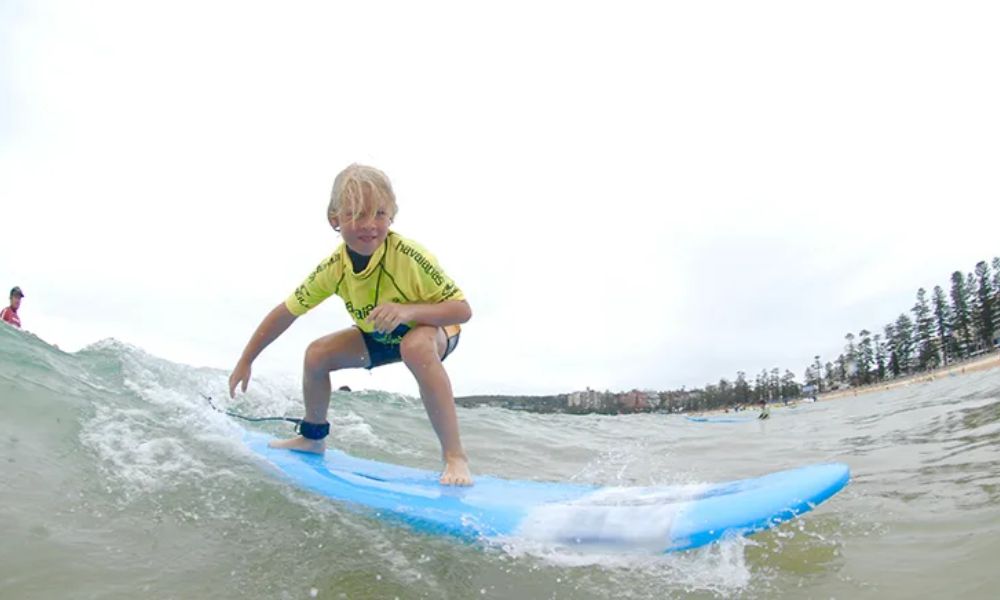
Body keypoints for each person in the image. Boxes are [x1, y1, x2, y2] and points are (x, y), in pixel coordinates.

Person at [229, 164, 474, 486]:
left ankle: (455, 457)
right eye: (357, 215)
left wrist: (408, 312)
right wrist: (247, 359)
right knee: (317, 354)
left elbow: (462, 310)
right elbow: (286, 312)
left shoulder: (409, 257)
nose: (369, 225)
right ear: (335, 218)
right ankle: (313, 437)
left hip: (434, 330)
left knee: (414, 345)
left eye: (379, 214)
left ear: (392, 216)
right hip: (381, 335)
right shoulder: (334, 268)